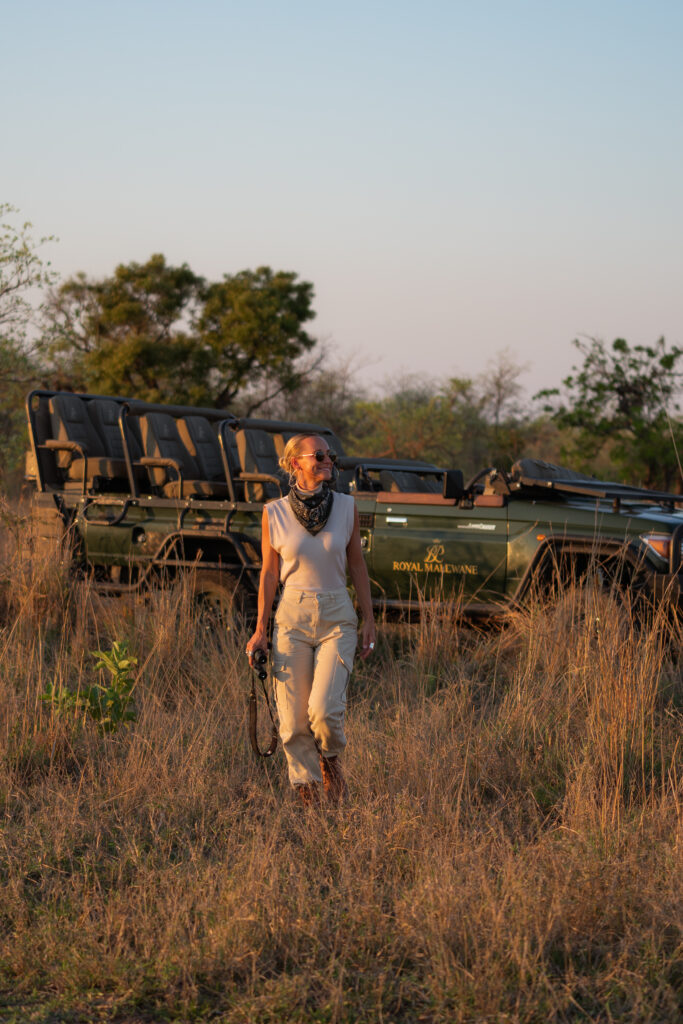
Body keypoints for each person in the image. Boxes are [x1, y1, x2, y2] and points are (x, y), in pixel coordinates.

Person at [246, 434, 376, 806]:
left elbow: (356, 564)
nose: (327, 461)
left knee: (324, 711)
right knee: (291, 722)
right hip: (292, 616)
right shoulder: (273, 513)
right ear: (294, 464)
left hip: (337, 613)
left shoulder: (348, 507)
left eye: (330, 455)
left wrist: (368, 618)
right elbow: (269, 574)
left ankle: (331, 766)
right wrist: (260, 631)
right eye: (318, 455)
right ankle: (310, 802)